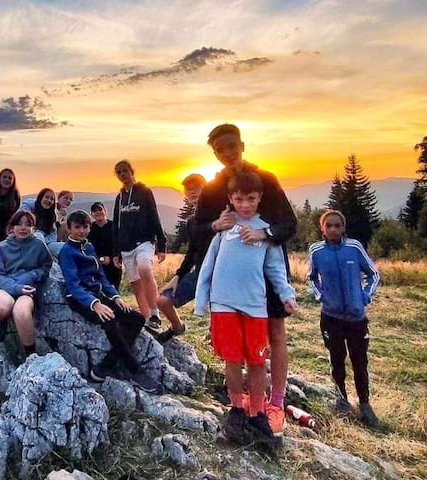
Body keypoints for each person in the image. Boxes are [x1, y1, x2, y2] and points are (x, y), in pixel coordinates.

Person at [195, 123, 297, 437]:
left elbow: (289, 224)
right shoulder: (213, 189)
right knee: (236, 351)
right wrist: (214, 224)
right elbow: (197, 231)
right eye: (220, 149)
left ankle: (275, 404)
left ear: (242, 144)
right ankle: (242, 407)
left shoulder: (266, 180)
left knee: (275, 336)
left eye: (232, 146)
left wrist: (264, 234)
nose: (227, 153)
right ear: (214, 153)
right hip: (231, 280)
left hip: (267, 270)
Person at [58, 210, 158, 393]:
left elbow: (101, 277)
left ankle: (105, 365)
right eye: (77, 227)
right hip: (80, 298)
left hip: (99, 295)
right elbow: (73, 286)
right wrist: (95, 304)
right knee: (110, 320)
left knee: (137, 318)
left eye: (85, 227)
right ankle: (135, 371)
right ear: (69, 228)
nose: (82, 231)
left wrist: (116, 297)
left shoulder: (89, 247)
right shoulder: (66, 251)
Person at [308, 210, 380, 429]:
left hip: (357, 317)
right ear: (322, 228)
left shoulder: (354, 247)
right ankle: (342, 400)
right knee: (336, 359)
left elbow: (373, 274)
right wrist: (320, 295)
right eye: (328, 225)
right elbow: (311, 277)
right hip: (331, 317)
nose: (332, 229)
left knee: (360, 361)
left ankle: (365, 405)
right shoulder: (316, 251)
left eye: (337, 225)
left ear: (343, 227)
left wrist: (366, 295)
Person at [111, 160, 167, 335]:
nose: (122, 175)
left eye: (125, 171)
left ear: (132, 171)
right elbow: (116, 226)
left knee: (145, 269)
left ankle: (155, 314)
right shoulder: (119, 198)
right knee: (135, 283)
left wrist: (162, 243)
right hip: (125, 246)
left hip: (144, 241)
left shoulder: (144, 192)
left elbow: (154, 215)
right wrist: (115, 251)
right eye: (118, 172)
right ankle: (147, 320)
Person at [0, 211, 52, 357]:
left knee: (21, 311)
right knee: (0, 308)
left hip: (28, 290)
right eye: (19, 224)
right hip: (5, 288)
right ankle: (1, 323)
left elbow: (46, 266)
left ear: (33, 228)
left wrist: (33, 275)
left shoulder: (38, 245)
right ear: (12, 227)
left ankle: (30, 354)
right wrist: (17, 287)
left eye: (28, 224)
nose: (23, 228)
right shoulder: (1, 248)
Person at [156, 173, 207, 343]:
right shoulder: (191, 222)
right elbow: (192, 252)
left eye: (196, 188)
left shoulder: (222, 216)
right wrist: (178, 275)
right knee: (163, 300)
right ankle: (177, 327)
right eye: (188, 189)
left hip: (224, 276)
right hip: (200, 274)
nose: (192, 192)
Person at [88, 201, 122, 290]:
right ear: (91, 214)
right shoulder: (89, 229)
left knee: (113, 290)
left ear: (105, 211)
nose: (98, 212)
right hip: (96, 265)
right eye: (95, 211)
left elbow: (120, 244)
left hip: (114, 265)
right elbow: (88, 247)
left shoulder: (115, 226)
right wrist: (99, 258)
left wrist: (111, 257)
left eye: (100, 209)